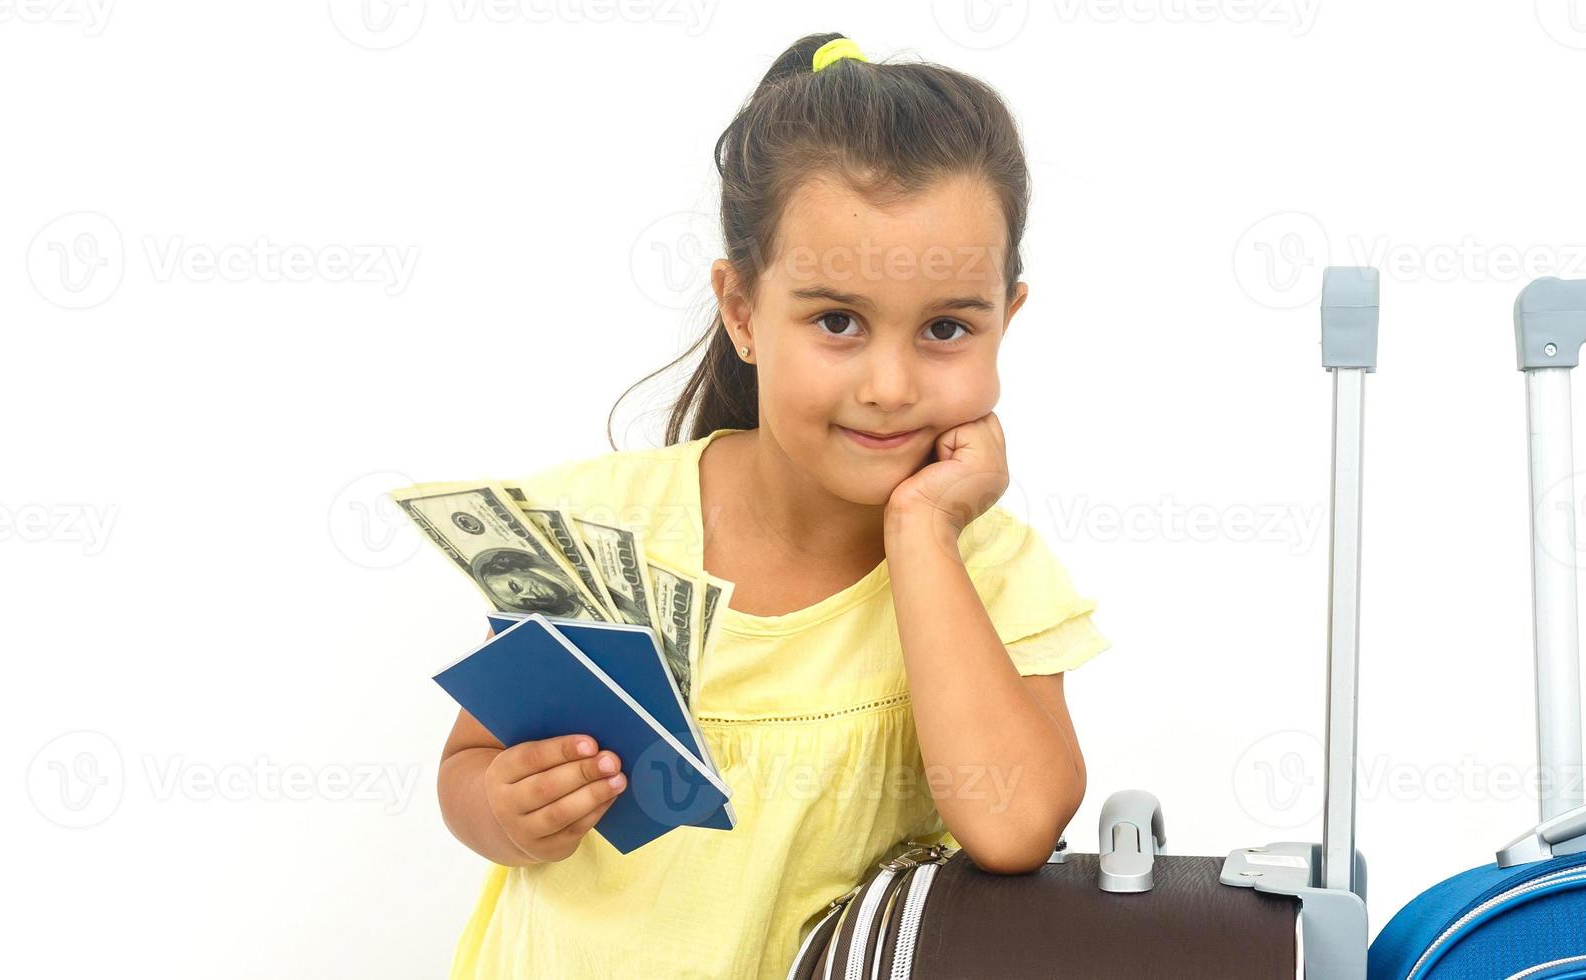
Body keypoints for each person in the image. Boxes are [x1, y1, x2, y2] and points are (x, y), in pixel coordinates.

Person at [434, 33, 1105, 977]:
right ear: (743, 312)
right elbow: (468, 767)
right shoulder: (592, 531)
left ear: (1009, 317)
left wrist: (921, 534)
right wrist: (505, 811)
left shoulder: (991, 572)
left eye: (946, 328)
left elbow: (1014, 824)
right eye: (837, 321)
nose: (889, 383)